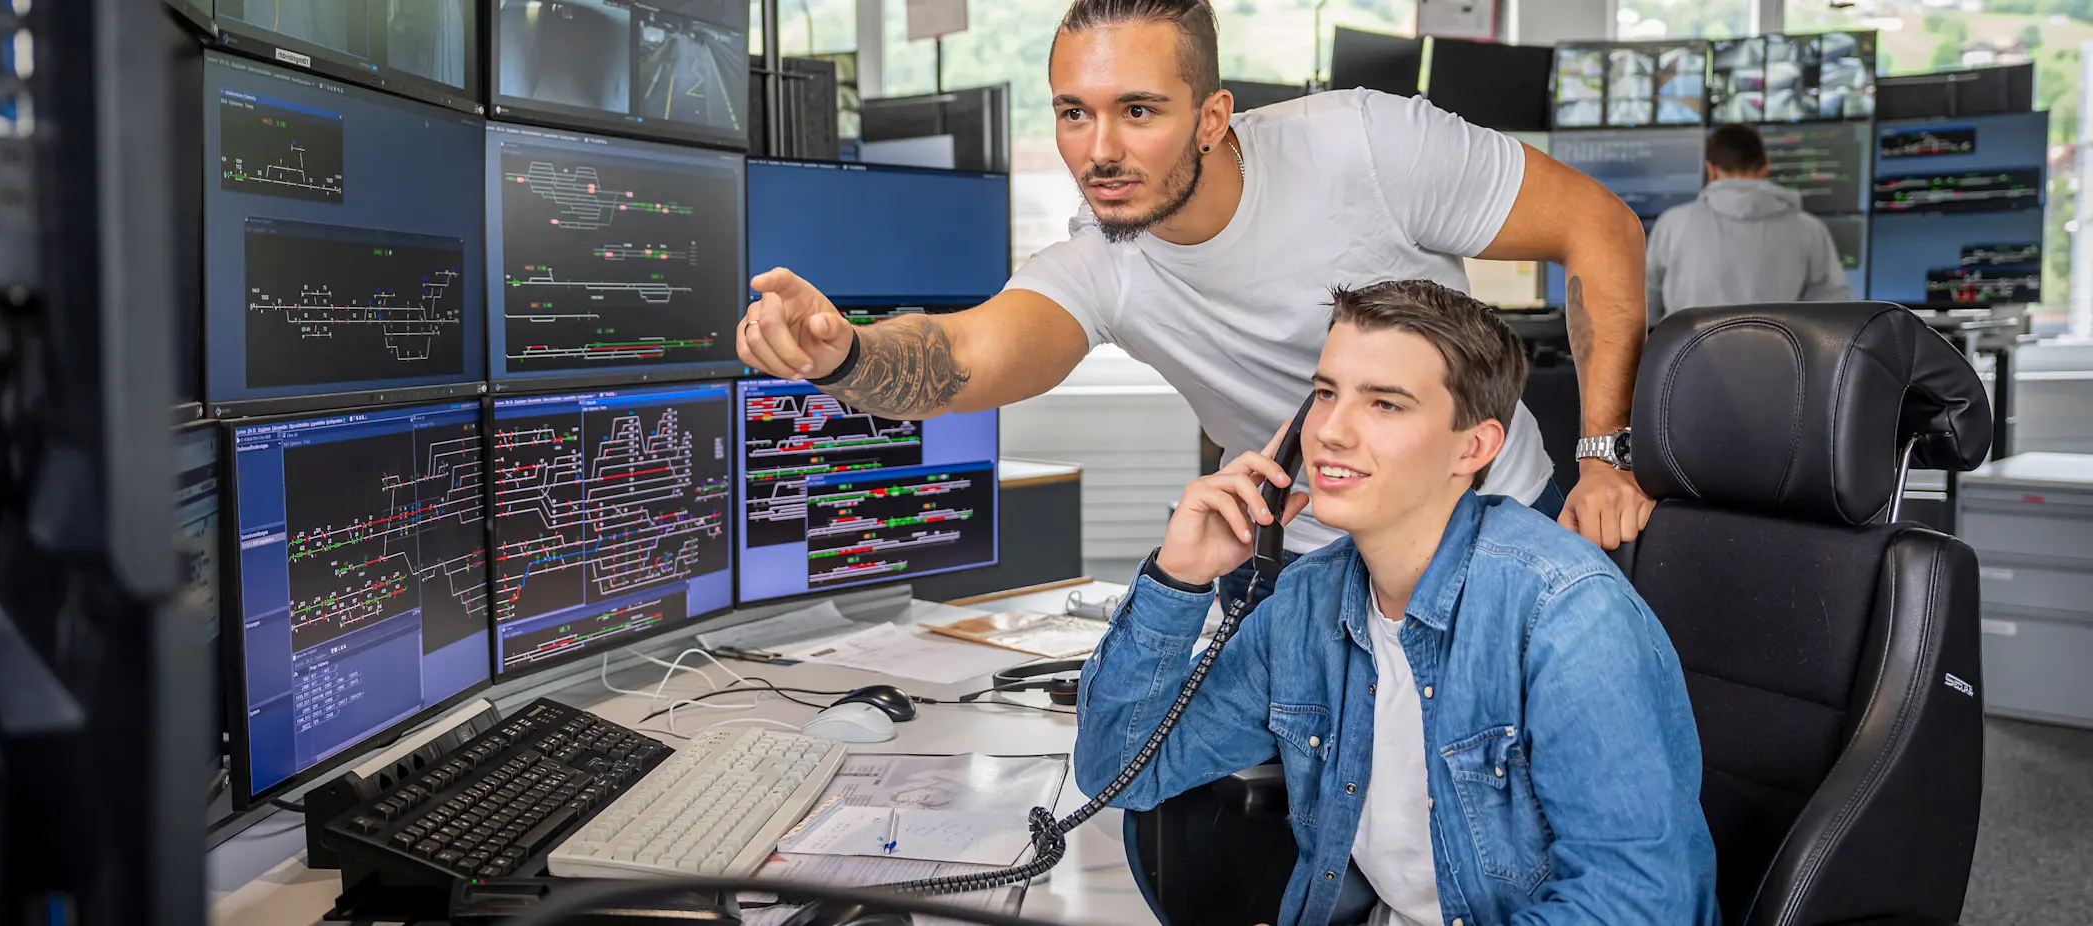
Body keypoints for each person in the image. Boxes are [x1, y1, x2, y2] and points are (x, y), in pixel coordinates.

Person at [737, 0, 1659, 602]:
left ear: (1211, 119)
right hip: (1308, 565)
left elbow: (1603, 231)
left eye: (1138, 111)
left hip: (1497, 521)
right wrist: (844, 356)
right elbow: (968, 355)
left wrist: (1601, 452)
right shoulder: (1104, 259)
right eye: (1072, 112)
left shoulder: (1367, 145)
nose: (1099, 150)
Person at [1074, 280, 1720, 926]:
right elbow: (1121, 771)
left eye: (1384, 404)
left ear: (1474, 447)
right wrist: (1179, 577)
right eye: (1326, 393)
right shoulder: (1306, 604)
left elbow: (1636, 906)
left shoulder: (1568, 618)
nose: (1329, 431)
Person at [1645, 123, 1852, 327]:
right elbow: (1836, 318)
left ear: (1711, 170)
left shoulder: (1673, 225)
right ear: (1765, 167)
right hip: (1779, 359)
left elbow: (1645, 310)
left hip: (1686, 359)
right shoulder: (1810, 230)